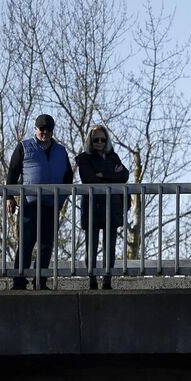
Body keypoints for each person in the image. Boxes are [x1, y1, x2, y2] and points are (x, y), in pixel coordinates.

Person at [6, 114, 73, 290]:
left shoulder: (61, 151)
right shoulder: (24, 147)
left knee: (46, 245)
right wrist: (9, 197)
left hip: (51, 205)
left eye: (48, 129)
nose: (45, 132)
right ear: (35, 129)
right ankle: (19, 281)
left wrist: (61, 199)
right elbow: (12, 172)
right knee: (26, 243)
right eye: (42, 129)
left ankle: (40, 282)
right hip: (29, 203)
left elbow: (68, 177)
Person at [74, 124, 129, 290]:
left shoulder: (113, 157)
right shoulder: (83, 158)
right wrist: (112, 175)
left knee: (110, 246)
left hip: (112, 206)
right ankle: (92, 278)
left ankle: (107, 279)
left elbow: (124, 175)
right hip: (92, 206)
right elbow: (89, 178)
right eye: (96, 139)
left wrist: (103, 174)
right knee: (91, 245)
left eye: (103, 139)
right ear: (90, 140)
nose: (99, 142)